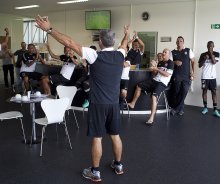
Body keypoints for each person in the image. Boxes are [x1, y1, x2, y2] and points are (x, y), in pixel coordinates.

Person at [35, 15, 129, 182]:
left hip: (98, 104)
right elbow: (124, 44)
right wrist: (127, 34)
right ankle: (119, 165)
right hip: (114, 104)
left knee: (98, 137)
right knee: (115, 135)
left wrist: (49, 29)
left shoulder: (94, 55)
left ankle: (95, 171)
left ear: (100, 41)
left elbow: (69, 43)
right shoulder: (121, 55)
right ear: (112, 42)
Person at [128, 48, 174, 125]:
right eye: (163, 51)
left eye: (165, 52)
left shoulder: (171, 63)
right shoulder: (160, 62)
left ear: (169, 54)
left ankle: (151, 118)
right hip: (154, 80)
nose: (163, 53)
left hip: (162, 83)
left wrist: (156, 69)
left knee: (154, 97)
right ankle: (133, 103)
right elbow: (155, 74)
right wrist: (153, 68)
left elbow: (166, 74)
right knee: (139, 86)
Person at [170, 36, 195, 116]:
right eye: (178, 41)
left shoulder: (188, 50)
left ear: (183, 42)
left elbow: (193, 61)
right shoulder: (172, 52)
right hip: (176, 75)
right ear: (176, 42)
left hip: (186, 76)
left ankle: (175, 109)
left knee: (184, 92)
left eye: (181, 41)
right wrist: (175, 62)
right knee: (177, 92)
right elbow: (169, 63)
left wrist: (193, 71)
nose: (179, 42)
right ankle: (180, 109)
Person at [198, 41, 220, 117]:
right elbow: (199, 65)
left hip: (212, 77)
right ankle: (205, 108)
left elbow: (214, 62)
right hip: (204, 76)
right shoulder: (203, 54)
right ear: (207, 46)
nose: (210, 47)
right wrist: (204, 59)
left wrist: (211, 54)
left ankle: (215, 110)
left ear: (213, 46)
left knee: (214, 92)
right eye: (209, 46)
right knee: (204, 92)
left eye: (211, 46)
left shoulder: (216, 53)